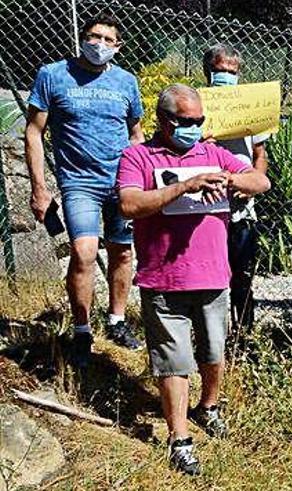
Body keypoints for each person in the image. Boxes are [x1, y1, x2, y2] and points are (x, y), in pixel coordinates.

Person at [115, 84, 270, 475]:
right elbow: (130, 204)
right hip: (163, 278)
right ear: (163, 120)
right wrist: (183, 186)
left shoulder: (213, 153)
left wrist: (227, 180)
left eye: (199, 121)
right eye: (186, 122)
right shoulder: (138, 157)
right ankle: (179, 438)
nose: (194, 128)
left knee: (214, 352)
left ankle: (209, 406)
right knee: (173, 361)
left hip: (214, 274)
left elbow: (260, 182)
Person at [26, 14, 145, 365]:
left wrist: (142, 179)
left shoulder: (126, 81)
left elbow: (136, 134)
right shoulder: (53, 75)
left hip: (122, 181)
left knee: (122, 252)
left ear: (118, 46)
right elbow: (34, 132)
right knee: (83, 252)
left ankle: (116, 320)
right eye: (94, 37)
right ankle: (81, 330)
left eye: (109, 40)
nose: (100, 45)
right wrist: (39, 188)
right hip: (80, 183)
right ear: (82, 38)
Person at [202, 44, 271, 340]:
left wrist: (254, 183)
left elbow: (260, 154)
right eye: (220, 71)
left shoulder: (250, 107)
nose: (226, 76)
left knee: (242, 276)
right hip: (205, 202)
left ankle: (243, 335)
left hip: (242, 205)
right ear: (208, 72)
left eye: (231, 72)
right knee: (209, 277)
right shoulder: (196, 106)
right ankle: (210, 335)